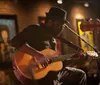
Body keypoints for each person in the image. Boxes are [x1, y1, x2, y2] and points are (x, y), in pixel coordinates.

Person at [11, 6, 88, 85]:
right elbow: (15, 41)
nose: (61, 29)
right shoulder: (35, 29)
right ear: (50, 22)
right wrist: (37, 54)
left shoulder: (52, 39)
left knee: (80, 75)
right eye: (59, 25)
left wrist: (73, 58)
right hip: (32, 71)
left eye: (63, 26)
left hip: (49, 73)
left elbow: (52, 63)